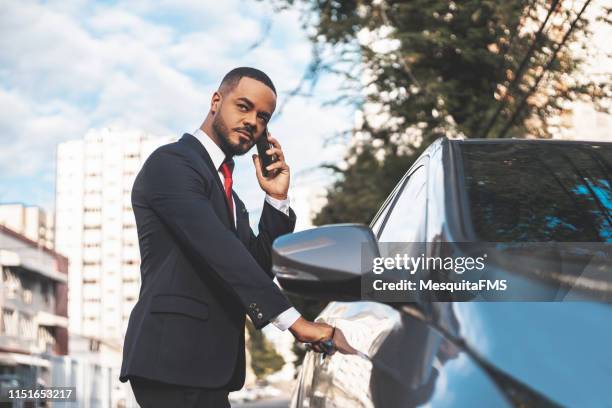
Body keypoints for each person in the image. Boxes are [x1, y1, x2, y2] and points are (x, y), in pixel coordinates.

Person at [119, 67, 354, 407]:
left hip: (207, 367)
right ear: (216, 101)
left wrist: (276, 199)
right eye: (243, 107)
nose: (252, 121)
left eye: (263, 117)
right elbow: (220, 252)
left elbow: (255, 266)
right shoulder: (171, 164)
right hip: (172, 361)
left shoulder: (232, 198)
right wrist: (295, 323)